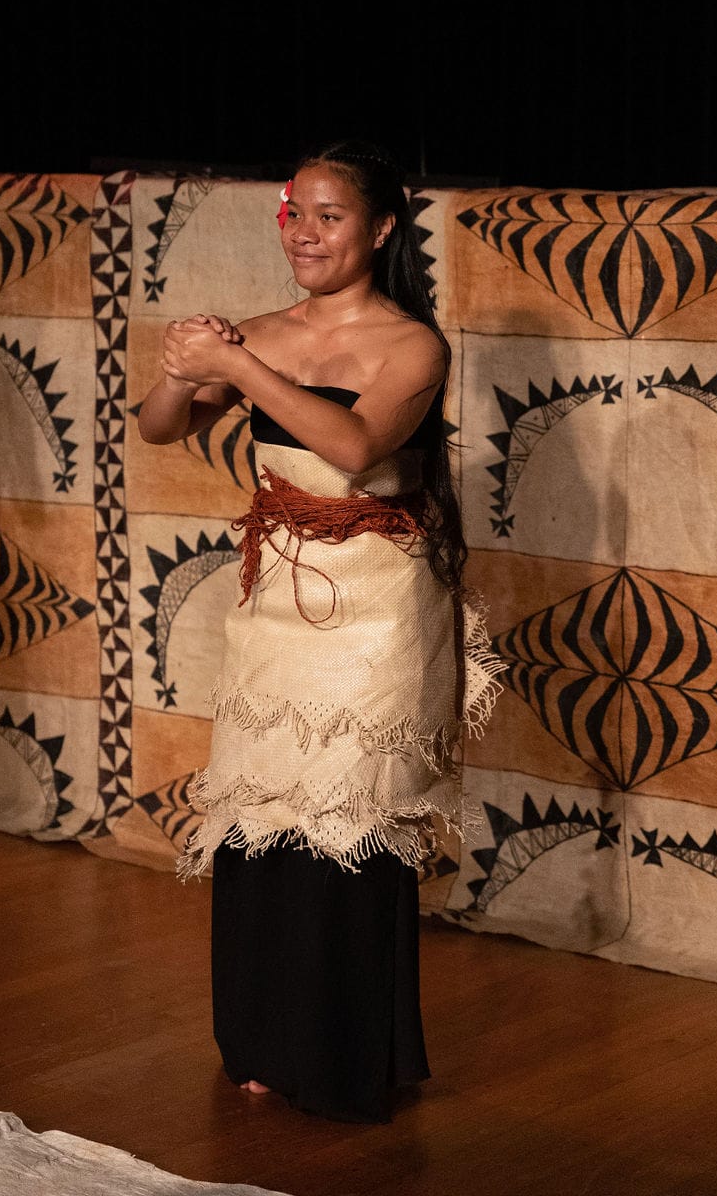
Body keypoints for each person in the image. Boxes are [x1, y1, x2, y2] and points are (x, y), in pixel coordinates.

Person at [137, 140, 501, 1123]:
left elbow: (351, 448)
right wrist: (181, 367)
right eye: (294, 213)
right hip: (279, 604)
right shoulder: (262, 335)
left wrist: (234, 363)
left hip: (377, 608)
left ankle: (344, 1058)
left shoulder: (410, 346)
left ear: (379, 229)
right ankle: (260, 1042)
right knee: (264, 814)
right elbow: (160, 425)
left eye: (328, 216)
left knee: (350, 816)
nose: (304, 232)